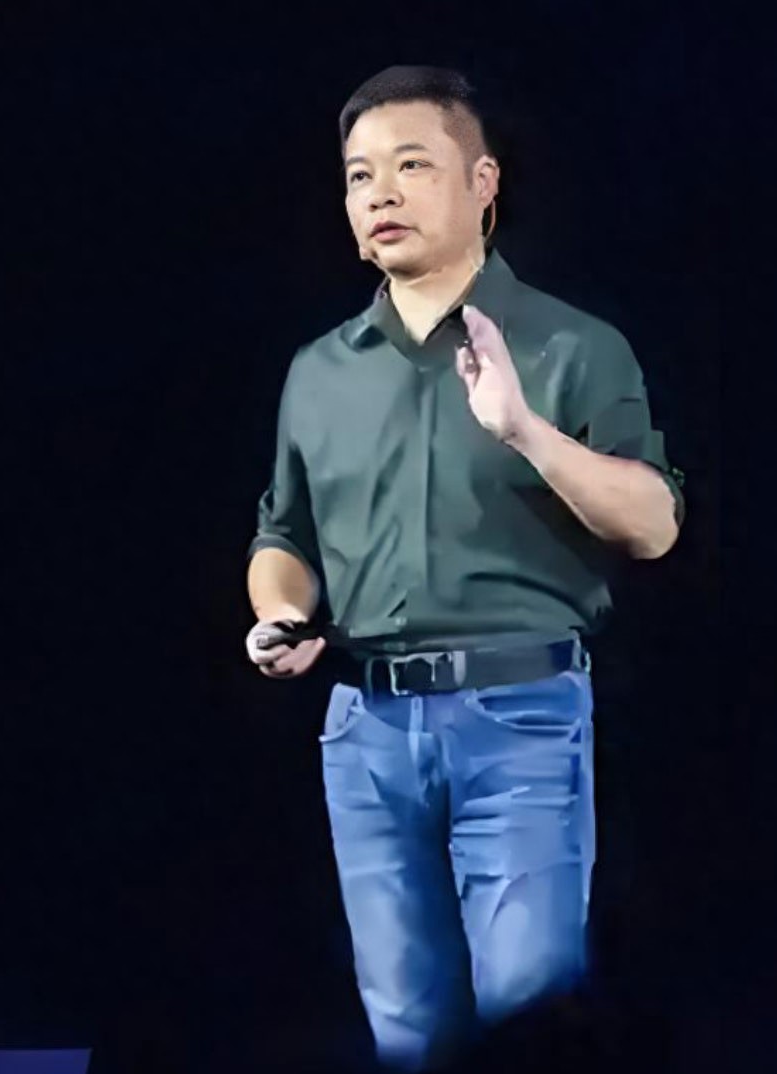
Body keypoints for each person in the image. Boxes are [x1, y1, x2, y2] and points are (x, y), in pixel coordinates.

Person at [244, 65, 683, 1071]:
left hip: (517, 715)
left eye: (411, 166)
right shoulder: (320, 370)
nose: (380, 195)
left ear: (483, 183)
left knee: (530, 1018)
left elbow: (654, 524)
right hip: (364, 730)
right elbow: (284, 536)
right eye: (359, 176)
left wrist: (524, 429)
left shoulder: (573, 345)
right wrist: (276, 615)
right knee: (404, 1027)